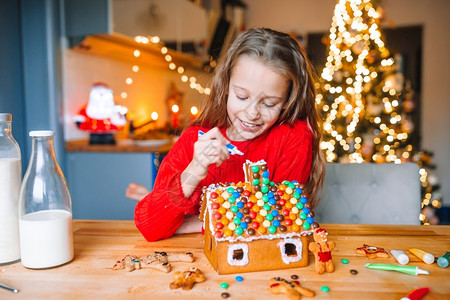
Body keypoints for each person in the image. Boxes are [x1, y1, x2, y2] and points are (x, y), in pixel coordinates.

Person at [130, 28, 325, 241]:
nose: (251, 114)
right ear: (226, 87)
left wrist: (188, 224)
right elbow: (150, 227)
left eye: (269, 103)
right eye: (241, 96)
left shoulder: (293, 138)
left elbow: (278, 221)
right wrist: (194, 169)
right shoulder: (194, 139)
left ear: (288, 100)